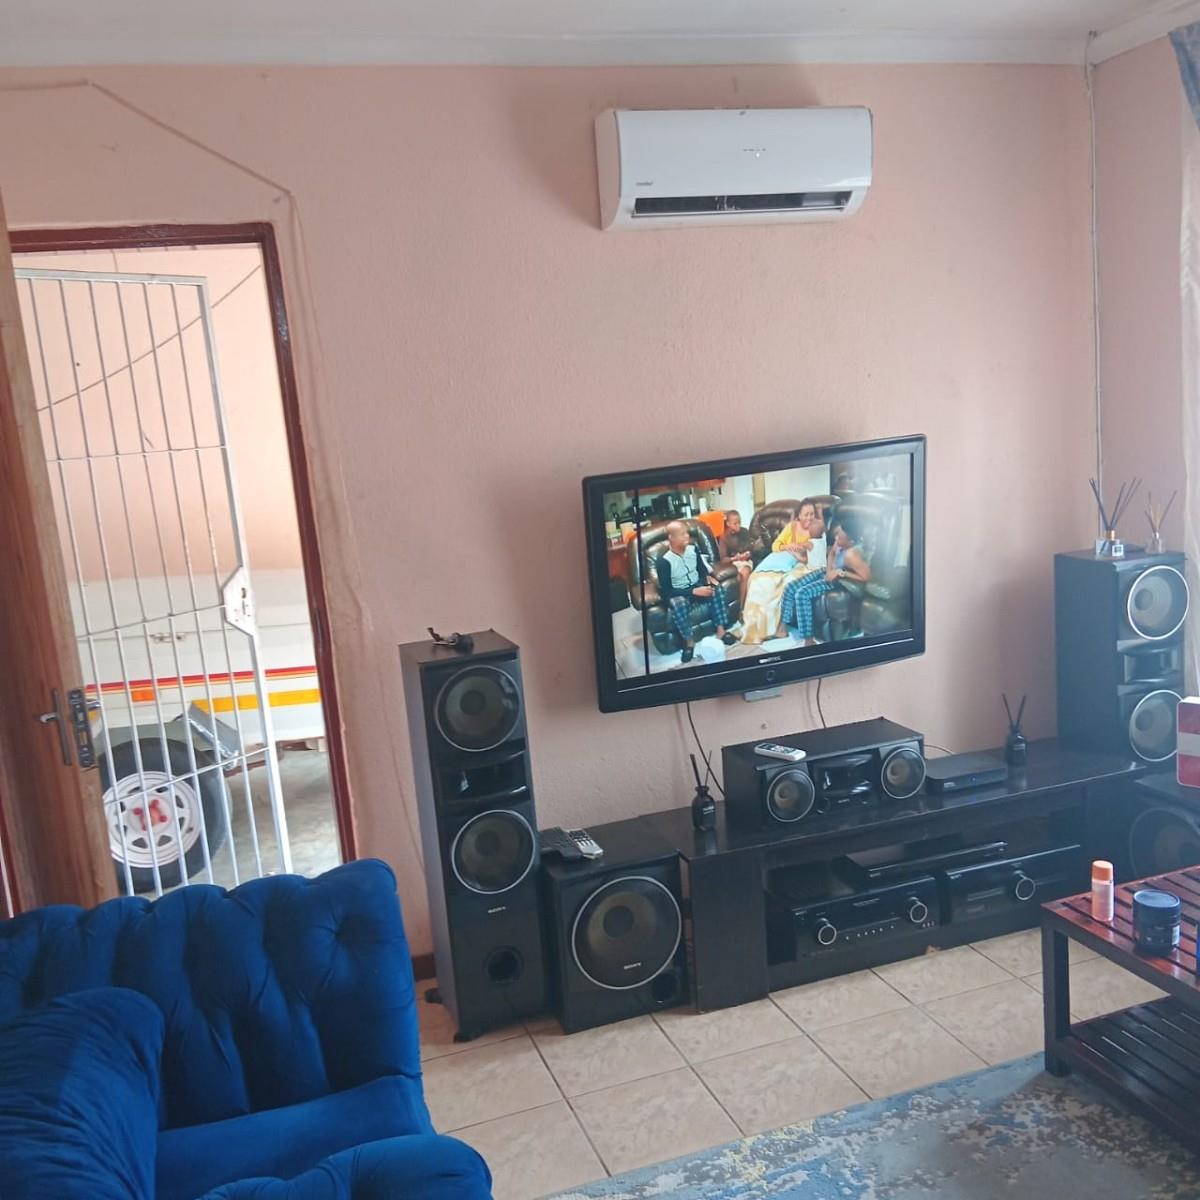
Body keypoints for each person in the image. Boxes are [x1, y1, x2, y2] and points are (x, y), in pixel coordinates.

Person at [779, 513, 871, 646]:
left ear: (850, 542)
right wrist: (829, 570)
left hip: (838, 580)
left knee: (802, 594)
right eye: (837, 534)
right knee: (791, 586)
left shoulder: (852, 555)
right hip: (828, 572)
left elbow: (866, 577)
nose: (836, 538)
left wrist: (841, 573)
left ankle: (809, 640)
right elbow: (831, 553)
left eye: (840, 537)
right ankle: (781, 629)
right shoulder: (840, 542)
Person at [654, 521, 736, 664]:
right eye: (682, 534)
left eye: (687, 533)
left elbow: (702, 570)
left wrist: (707, 582)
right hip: (679, 592)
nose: (687, 536)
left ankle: (721, 631)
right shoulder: (663, 561)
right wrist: (694, 591)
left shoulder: (693, 549)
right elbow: (667, 591)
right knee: (678, 604)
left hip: (696, 585)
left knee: (717, 590)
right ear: (671, 538)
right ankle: (689, 642)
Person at [719, 510, 754, 607]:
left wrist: (747, 554)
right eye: (735, 523)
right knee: (738, 578)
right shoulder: (724, 537)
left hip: (746, 561)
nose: (738, 525)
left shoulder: (744, 532)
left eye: (739, 522)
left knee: (745, 573)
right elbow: (723, 559)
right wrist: (735, 558)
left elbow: (751, 549)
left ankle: (742, 607)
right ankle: (741, 606)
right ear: (728, 524)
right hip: (734, 563)